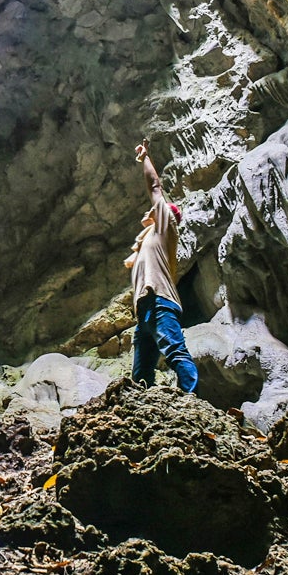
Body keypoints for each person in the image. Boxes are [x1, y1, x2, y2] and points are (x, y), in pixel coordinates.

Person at [126, 140, 197, 392]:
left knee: (175, 352)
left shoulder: (165, 228)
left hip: (160, 303)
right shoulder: (148, 240)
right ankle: (147, 412)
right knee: (141, 374)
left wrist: (145, 157)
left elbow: (155, 187)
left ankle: (192, 400)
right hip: (145, 309)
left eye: (156, 209)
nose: (150, 209)